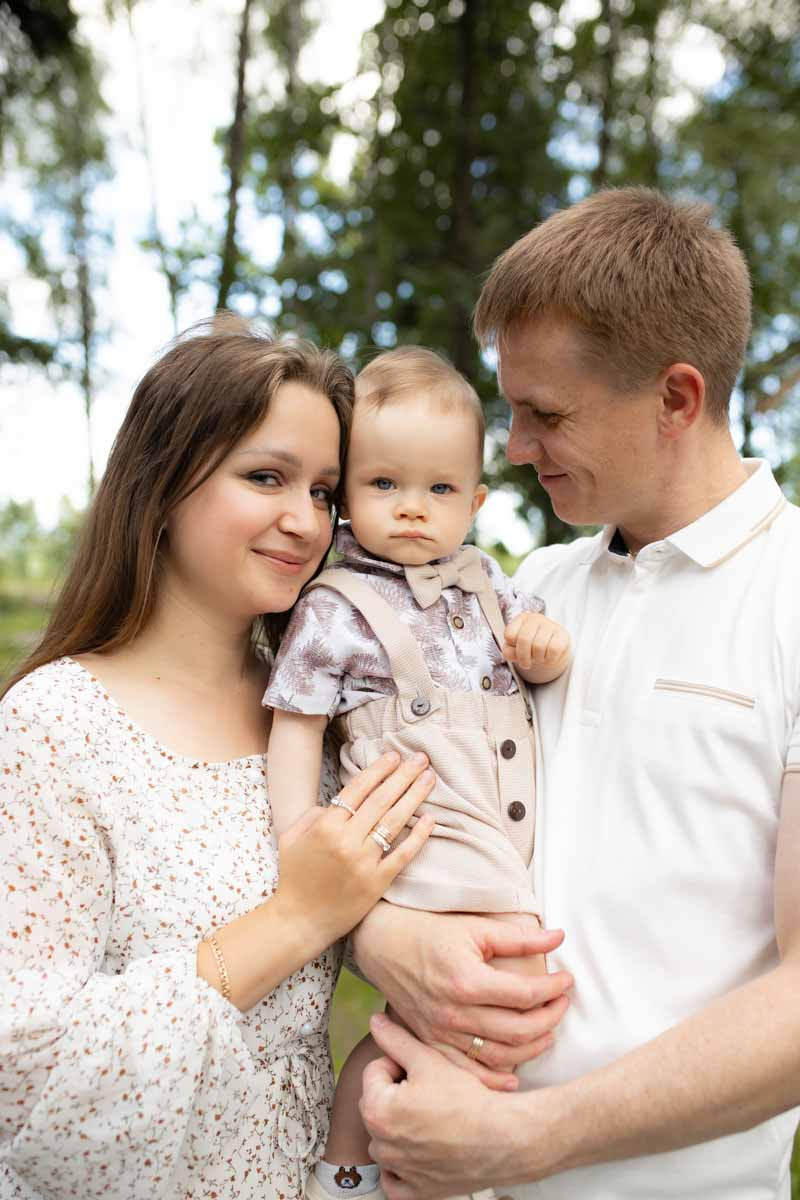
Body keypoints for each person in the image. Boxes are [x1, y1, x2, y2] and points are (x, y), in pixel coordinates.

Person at [350, 188, 800, 1200]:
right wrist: (388, 941)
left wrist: (525, 1140)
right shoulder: (523, 593)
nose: (510, 448)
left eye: (544, 413)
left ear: (675, 399)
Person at [0, 317, 437, 1200]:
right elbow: (25, 1090)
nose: (303, 520)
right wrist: (294, 919)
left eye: (323, 491)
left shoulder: (320, 723)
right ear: (162, 483)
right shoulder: (53, 728)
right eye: (266, 477)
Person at [264, 346, 572, 1200]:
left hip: (500, 829)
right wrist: (299, 832)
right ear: (347, 494)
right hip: (423, 830)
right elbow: (296, 724)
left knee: (428, 1024)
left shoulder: (494, 586)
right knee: (489, 1004)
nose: (410, 510)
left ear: (474, 502)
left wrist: (544, 652)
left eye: (439, 491)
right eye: (384, 485)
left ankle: (354, 1167)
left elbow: (533, 664)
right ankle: (386, 1167)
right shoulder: (335, 607)